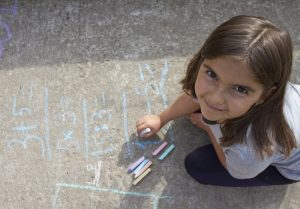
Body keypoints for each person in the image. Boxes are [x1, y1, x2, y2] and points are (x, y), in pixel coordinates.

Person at [135, 15, 300, 187]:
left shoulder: (253, 150)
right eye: (212, 74)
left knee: (198, 165)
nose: (214, 97)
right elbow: (194, 96)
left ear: (265, 95)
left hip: (289, 168)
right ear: (202, 61)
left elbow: (234, 170)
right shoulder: (247, 83)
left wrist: (210, 127)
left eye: (240, 89)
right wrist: (161, 119)